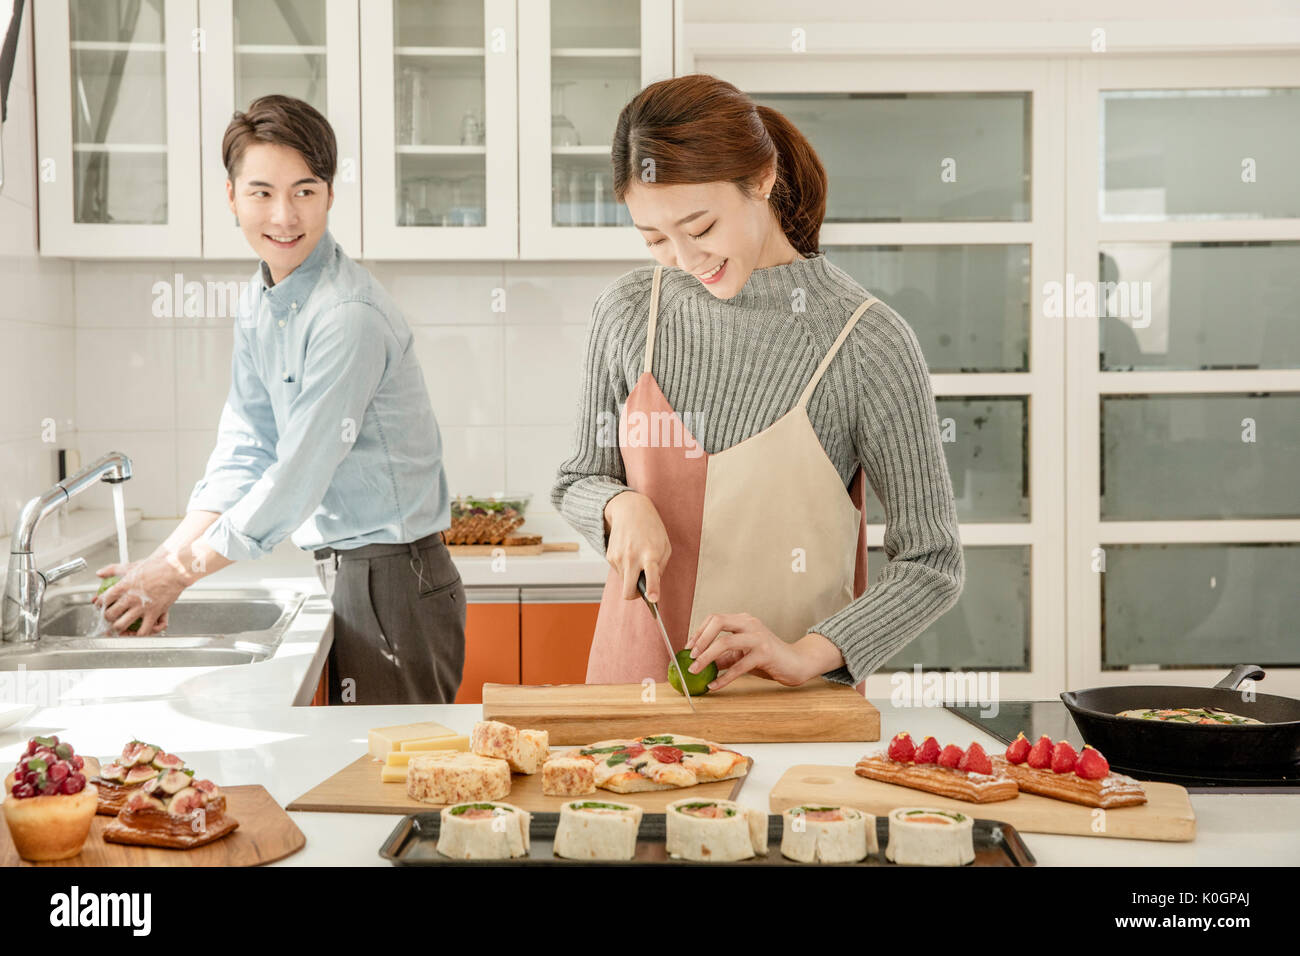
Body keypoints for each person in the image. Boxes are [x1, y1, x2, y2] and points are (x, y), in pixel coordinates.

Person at [552, 74, 964, 691]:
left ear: (763, 181)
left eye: (700, 227)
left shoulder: (868, 342)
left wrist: (807, 653)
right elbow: (577, 478)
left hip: (791, 707)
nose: (686, 260)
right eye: (655, 238)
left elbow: (932, 561)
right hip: (632, 697)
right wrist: (618, 504)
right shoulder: (629, 312)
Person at [94, 95, 465, 705]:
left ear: (330, 195)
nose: (284, 216)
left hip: (394, 579)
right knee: (358, 776)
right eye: (262, 192)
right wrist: (160, 561)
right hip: (345, 571)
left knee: (390, 781)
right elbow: (246, 446)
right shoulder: (263, 297)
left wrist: (176, 574)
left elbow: (295, 477)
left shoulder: (348, 316)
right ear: (232, 196)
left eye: (305, 191)